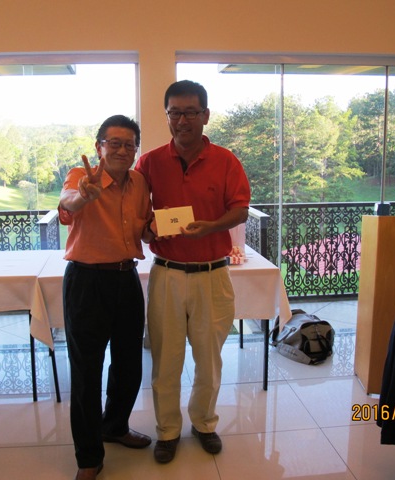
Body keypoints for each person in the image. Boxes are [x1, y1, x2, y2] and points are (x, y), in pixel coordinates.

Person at [135, 80, 251, 464]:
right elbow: (137, 213)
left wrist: (212, 227)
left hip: (212, 274)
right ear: (167, 116)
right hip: (167, 273)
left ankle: (204, 423)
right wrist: (148, 229)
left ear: (205, 115)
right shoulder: (150, 162)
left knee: (209, 358)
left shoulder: (226, 160)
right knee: (166, 359)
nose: (182, 120)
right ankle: (167, 430)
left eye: (190, 112)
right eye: (175, 113)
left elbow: (240, 210)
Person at [58, 115, 154, 480]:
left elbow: (142, 229)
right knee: (87, 372)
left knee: (129, 364)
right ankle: (88, 456)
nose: (122, 150)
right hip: (87, 281)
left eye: (129, 144)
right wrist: (84, 194)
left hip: (126, 278)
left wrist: (157, 229)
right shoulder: (81, 177)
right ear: (99, 147)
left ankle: (114, 426)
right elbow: (67, 204)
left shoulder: (140, 182)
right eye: (114, 143)